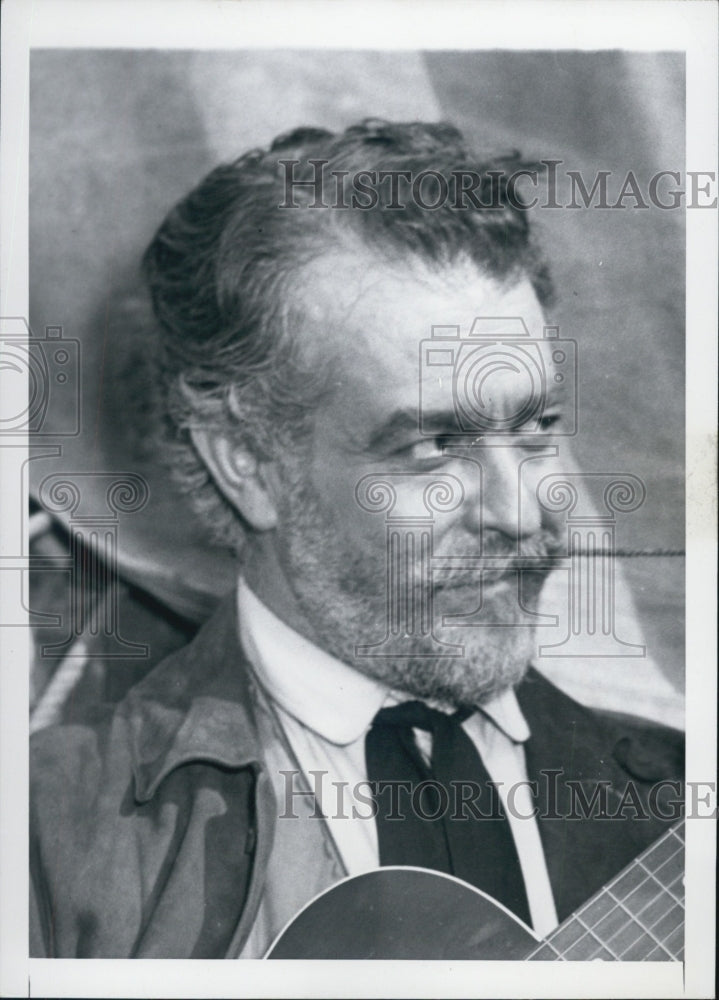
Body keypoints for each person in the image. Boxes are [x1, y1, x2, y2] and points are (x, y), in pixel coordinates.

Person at [30, 120, 683, 959]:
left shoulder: (673, 801)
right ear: (249, 464)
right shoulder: (46, 845)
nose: (521, 513)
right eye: (433, 448)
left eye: (537, 427)